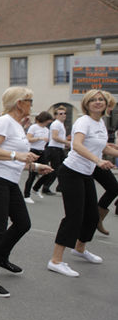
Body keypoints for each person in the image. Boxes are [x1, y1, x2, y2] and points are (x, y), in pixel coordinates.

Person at [0, 87, 52, 297]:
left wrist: (36, 167)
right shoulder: (5, 121)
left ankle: (0, 257)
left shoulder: (18, 125)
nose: (32, 104)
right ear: (20, 103)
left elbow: (18, 155)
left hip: (9, 180)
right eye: (30, 100)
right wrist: (16, 156)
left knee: (23, 223)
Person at [47, 90, 118, 277]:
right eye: (93, 100)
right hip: (71, 172)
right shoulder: (83, 121)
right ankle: (55, 260)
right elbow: (77, 144)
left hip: (85, 173)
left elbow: (102, 146)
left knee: (92, 216)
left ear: (105, 103)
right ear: (86, 104)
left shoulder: (100, 123)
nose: (97, 102)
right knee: (73, 217)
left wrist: (111, 153)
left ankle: (79, 249)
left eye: (100, 99)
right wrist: (98, 161)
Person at [34, 106, 70, 196]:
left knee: (64, 168)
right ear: (56, 116)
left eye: (64, 113)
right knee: (54, 169)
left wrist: (66, 142)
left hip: (58, 149)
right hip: (54, 149)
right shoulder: (56, 124)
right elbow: (55, 137)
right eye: (60, 114)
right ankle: (44, 187)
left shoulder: (61, 124)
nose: (63, 115)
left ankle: (60, 186)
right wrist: (67, 142)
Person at [95, 94, 118, 235]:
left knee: (114, 188)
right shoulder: (88, 121)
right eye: (110, 107)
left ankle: (97, 219)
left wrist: (108, 146)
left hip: (96, 162)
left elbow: (101, 145)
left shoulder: (101, 123)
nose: (110, 110)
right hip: (86, 164)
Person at [22, 111, 53, 203]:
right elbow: (29, 139)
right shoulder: (34, 127)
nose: (48, 123)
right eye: (48, 121)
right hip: (33, 150)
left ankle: (36, 188)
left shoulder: (47, 130)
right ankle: (26, 195)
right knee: (32, 174)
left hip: (42, 151)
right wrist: (39, 138)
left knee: (49, 171)